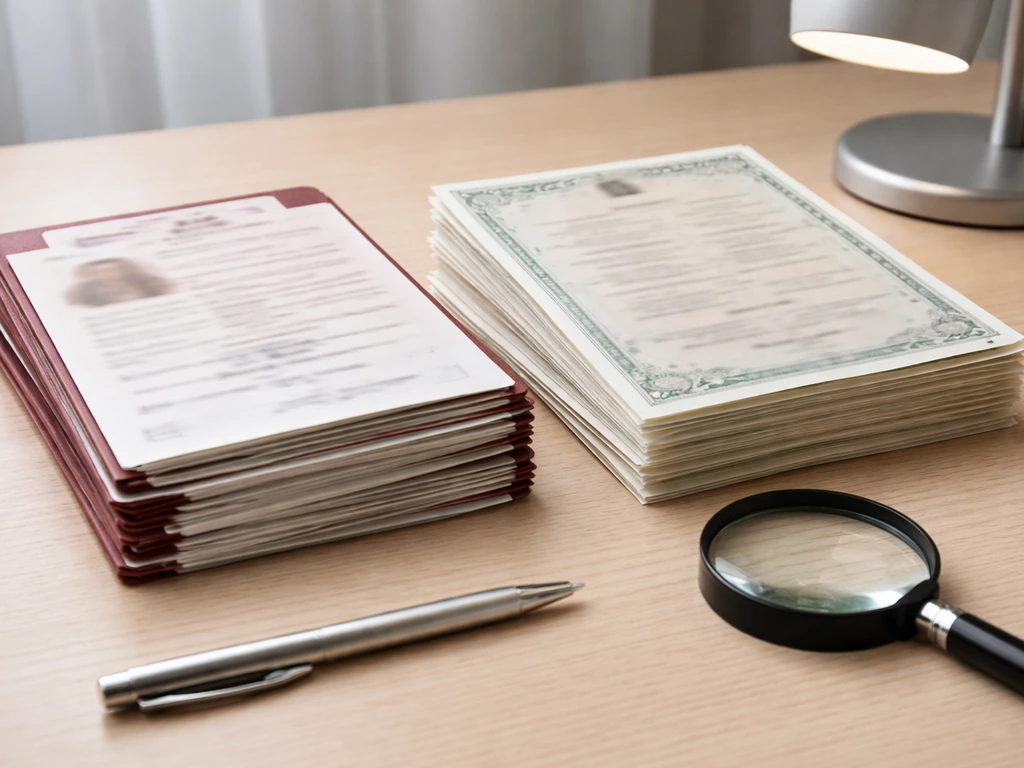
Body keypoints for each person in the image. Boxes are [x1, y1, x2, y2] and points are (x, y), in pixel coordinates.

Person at [65, 258, 174, 308]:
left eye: (113, 269)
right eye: (101, 272)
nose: (109, 274)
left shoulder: (154, 284)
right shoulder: (81, 294)